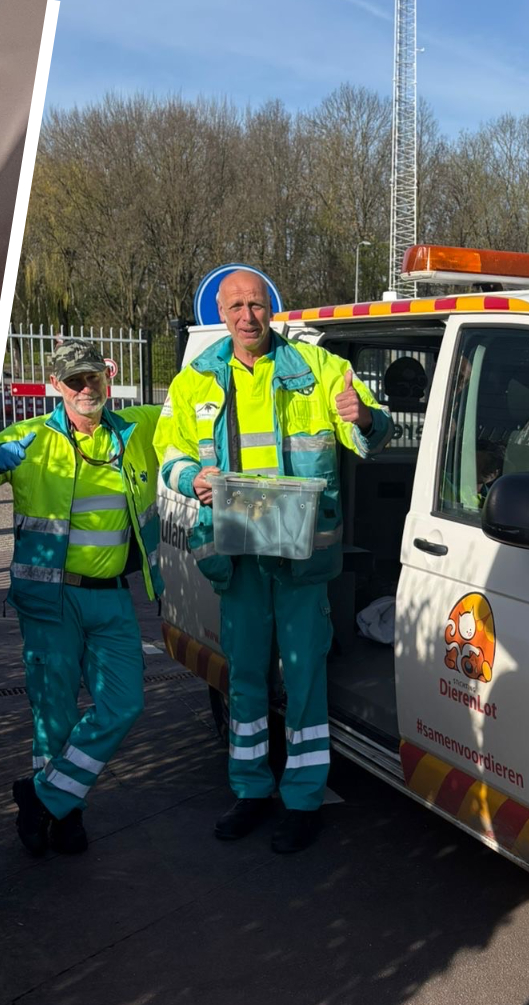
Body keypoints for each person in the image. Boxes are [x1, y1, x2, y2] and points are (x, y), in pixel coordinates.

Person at [154, 271, 391, 854]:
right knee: (247, 678)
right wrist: (193, 477)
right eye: (235, 305)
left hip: (300, 552)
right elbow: (169, 453)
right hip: (239, 556)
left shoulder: (321, 370)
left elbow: (374, 430)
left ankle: (304, 799)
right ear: (220, 311)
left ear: (271, 309)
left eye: (255, 304)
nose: (246, 315)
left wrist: (361, 417)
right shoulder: (194, 382)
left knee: (306, 675)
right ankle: (250, 790)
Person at [0, 341, 164, 855]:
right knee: (53, 713)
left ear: (108, 378)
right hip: (50, 601)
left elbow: (199, 400)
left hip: (111, 598)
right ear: (56, 386)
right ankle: (65, 817)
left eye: (93, 378)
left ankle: (44, 797)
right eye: (74, 381)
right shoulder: (26, 438)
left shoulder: (137, 429)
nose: (86, 389)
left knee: (124, 703)